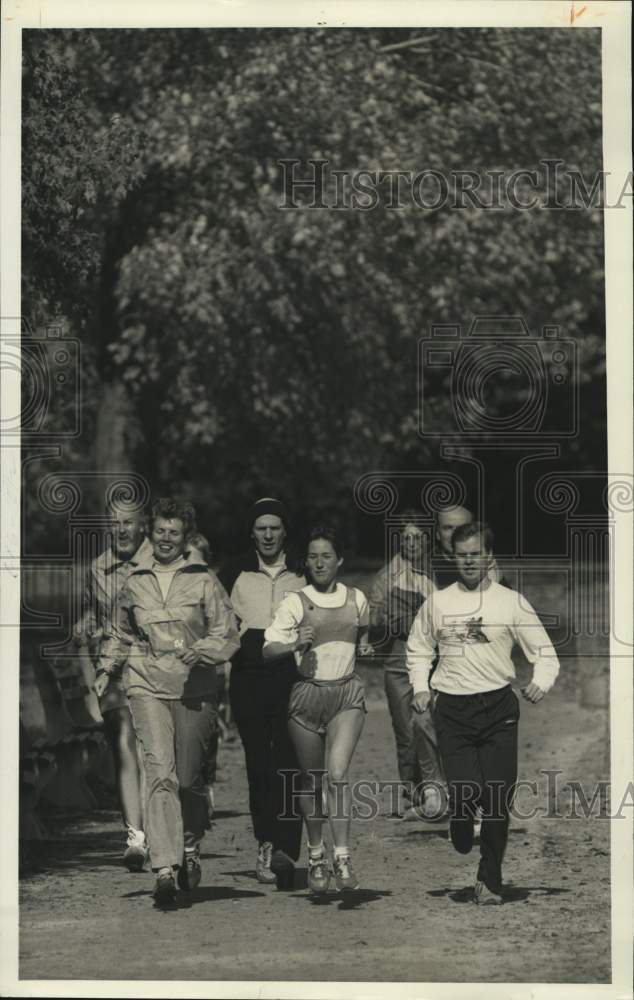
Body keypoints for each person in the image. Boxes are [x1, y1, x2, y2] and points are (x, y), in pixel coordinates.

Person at [407, 521, 559, 905]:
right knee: (467, 790)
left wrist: (541, 679)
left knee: (497, 796)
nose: (469, 561)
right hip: (453, 707)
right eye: (462, 555)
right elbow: (419, 648)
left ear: (489, 556)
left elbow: (543, 650)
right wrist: (422, 688)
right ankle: (460, 813)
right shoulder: (438, 603)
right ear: (451, 557)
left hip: (498, 708)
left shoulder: (510, 601)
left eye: (476, 554)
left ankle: (489, 878)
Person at [96, 497, 240, 905]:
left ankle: (189, 846)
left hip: (194, 689)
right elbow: (120, 632)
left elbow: (228, 630)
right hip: (145, 684)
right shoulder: (135, 581)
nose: (165, 538)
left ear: (185, 537)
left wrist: (206, 651)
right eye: (159, 530)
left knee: (190, 779)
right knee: (159, 771)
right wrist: (106, 669)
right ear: (150, 531)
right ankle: (163, 867)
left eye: (174, 532)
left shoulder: (204, 580)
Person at [263, 526, 371, 894]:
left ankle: (342, 858)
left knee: (338, 775)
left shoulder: (356, 598)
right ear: (305, 562)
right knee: (312, 781)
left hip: (346, 696)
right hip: (306, 697)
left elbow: (364, 631)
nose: (319, 562)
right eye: (312, 556)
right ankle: (316, 855)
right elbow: (268, 649)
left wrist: (366, 646)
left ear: (339, 560)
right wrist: (294, 641)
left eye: (326, 555)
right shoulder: (296, 601)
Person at [218, 498, 305, 889]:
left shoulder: (303, 570)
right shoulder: (234, 571)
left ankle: (289, 848)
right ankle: (266, 842)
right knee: (259, 764)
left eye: (274, 527)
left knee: (289, 761)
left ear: (284, 531)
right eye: (260, 528)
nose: (268, 535)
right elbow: (217, 625)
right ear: (251, 533)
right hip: (249, 677)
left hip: (292, 676)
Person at [74, 499, 152, 871]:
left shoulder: (160, 562)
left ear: (143, 526)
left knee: (155, 748)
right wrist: (85, 626)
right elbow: (93, 611)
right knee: (123, 742)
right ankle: (135, 837)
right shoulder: (98, 568)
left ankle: (164, 826)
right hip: (114, 667)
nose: (121, 529)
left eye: (129, 522)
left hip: (156, 666)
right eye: (115, 523)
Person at [368, 512, 442, 817]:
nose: (412, 543)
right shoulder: (388, 576)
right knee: (406, 730)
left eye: (418, 537)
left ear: (427, 539)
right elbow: (375, 621)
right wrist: (387, 619)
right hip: (398, 660)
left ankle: (434, 790)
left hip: (434, 658)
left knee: (428, 723)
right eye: (406, 537)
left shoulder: (437, 573)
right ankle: (412, 794)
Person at [433, 505, 504, 589]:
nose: (454, 534)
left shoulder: (486, 563)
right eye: (448, 528)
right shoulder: (425, 568)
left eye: (462, 528)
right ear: (437, 533)